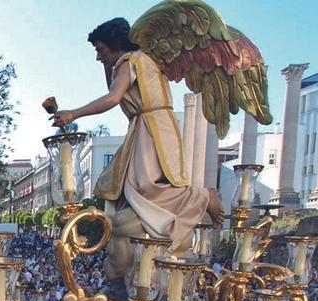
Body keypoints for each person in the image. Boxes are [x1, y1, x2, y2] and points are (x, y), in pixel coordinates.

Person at [50, 17, 232, 283]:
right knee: (128, 189)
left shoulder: (130, 60)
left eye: (101, 50)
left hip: (152, 127)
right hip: (147, 126)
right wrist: (106, 64)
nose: (98, 56)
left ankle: (204, 196)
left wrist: (74, 113)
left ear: (115, 45)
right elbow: (114, 90)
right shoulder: (135, 60)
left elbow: (113, 98)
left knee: (147, 186)